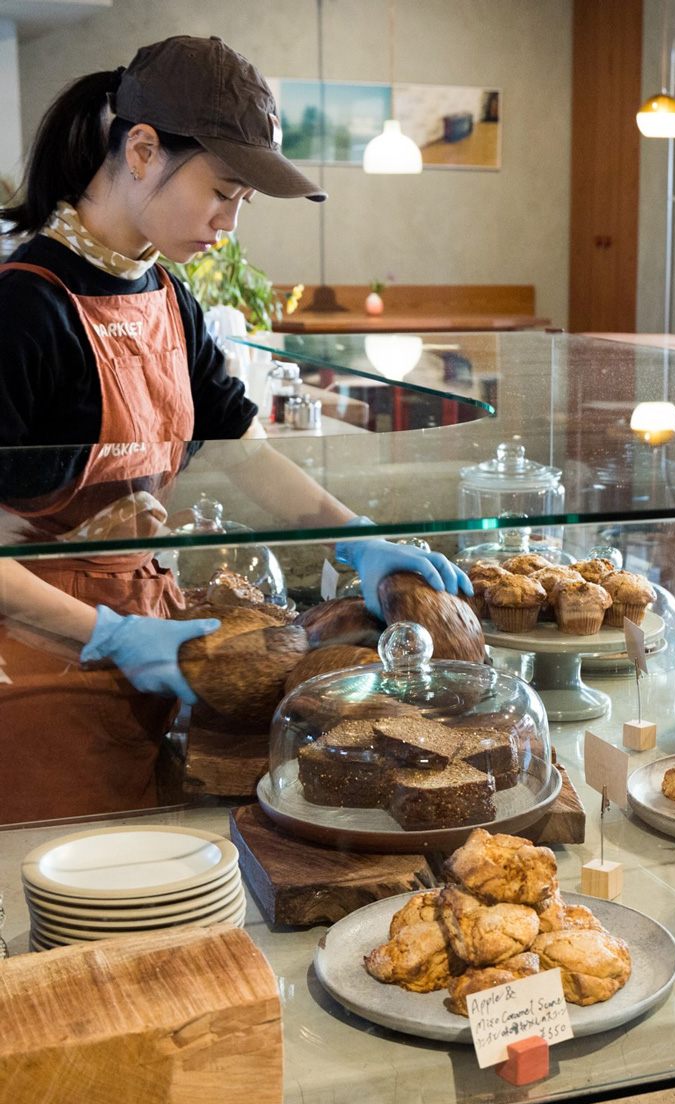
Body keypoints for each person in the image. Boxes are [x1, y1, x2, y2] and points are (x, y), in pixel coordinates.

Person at [0, 35, 469, 823]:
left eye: (242, 202)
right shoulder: (23, 308)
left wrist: (354, 533)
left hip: (151, 646)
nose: (228, 222)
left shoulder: (169, 300)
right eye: (221, 191)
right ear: (142, 150)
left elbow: (242, 451)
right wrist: (112, 635)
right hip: (36, 666)